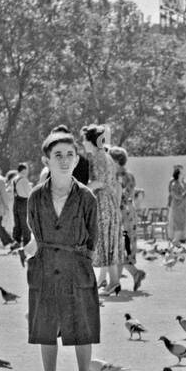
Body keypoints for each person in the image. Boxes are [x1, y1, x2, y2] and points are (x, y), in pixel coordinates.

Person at [24, 129, 100, 371]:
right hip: (44, 265)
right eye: (58, 155)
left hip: (76, 266)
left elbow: (93, 237)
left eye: (70, 154)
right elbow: (33, 229)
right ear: (46, 160)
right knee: (45, 327)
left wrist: (83, 262)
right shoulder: (35, 197)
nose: (65, 160)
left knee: (82, 326)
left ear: (77, 159)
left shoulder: (87, 198)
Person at [80, 124, 123, 295]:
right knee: (108, 242)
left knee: (105, 241)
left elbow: (99, 182)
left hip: (103, 203)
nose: (82, 142)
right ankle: (113, 282)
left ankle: (113, 282)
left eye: (84, 139)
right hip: (109, 202)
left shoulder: (97, 157)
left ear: (90, 140)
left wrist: (80, 190)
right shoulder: (105, 156)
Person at [110, 145, 144, 293]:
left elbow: (117, 196)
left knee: (119, 247)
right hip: (130, 211)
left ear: (116, 160)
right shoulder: (130, 175)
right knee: (122, 247)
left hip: (121, 212)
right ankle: (134, 274)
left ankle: (116, 282)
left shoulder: (117, 176)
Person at [166, 166, 186, 244]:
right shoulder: (174, 184)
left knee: (182, 223)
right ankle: (175, 240)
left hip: (183, 206)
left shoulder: (183, 183)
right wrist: (183, 195)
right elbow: (174, 194)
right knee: (177, 223)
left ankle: (179, 239)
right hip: (177, 206)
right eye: (181, 173)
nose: (183, 174)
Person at [13, 163, 32, 249]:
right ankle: (26, 243)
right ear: (24, 170)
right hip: (24, 202)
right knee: (25, 224)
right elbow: (29, 193)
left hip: (16, 202)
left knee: (18, 224)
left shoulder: (14, 179)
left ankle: (16, 242)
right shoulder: (24, 180)